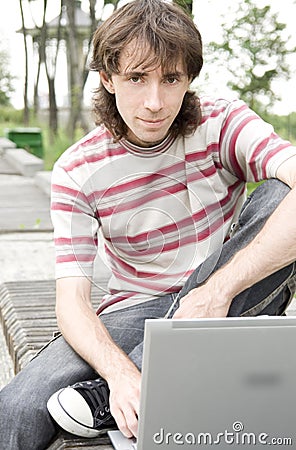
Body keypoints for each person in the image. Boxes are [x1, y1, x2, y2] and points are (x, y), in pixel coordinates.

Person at [1, 0, 296, 448]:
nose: (155, 103)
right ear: (108, 78)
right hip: (135, 310)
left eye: (171, 79)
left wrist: (215, 291)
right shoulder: (77, 170)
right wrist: (120, 373)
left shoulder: (221, 123)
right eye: (137, 78)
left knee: (282, 193)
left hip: (227, 298)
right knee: (19, 407)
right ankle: (128, 382)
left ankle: (110, 396)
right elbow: (72, 302)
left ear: (189, 79)